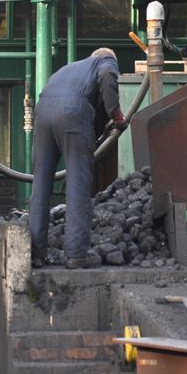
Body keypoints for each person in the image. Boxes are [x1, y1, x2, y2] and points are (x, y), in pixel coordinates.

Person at [29, 48, 127, 270]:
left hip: (43, 113)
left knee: (41, 183)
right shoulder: (105, 61)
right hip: (73, 112)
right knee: (78, 183)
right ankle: (76, 254)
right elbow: (107, 76)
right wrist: (117, 115)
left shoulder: (67, 69)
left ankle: (35, 253)